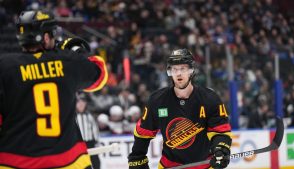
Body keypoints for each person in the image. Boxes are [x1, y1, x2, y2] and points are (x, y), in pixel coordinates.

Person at [0, 10, 108, 169]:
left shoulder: (5, 67)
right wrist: (78, 54)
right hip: (68, 160)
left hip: (15, 161)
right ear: (45, 37)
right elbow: (99, 76)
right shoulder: (67, 61)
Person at [128, 49, 232, 169]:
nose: (178, 74)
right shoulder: (157, 100)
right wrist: (137, 157)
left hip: (205, 165)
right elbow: (143, 133)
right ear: (170, 72)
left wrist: (221, 150)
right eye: (175, 69)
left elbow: (220, 131)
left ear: (191, 71)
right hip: (170, 165)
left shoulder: (210, 99)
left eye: (183, 69)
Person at [76, 93, 101, 169]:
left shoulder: (89, 115)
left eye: (83, 102)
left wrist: (96, 141)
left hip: (90, 142)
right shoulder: (73, 117)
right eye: (79, 102)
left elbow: (94, 129)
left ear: (86, 104)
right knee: (81, 162)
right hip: (78, 143)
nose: (81, 104)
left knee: (95, 161)